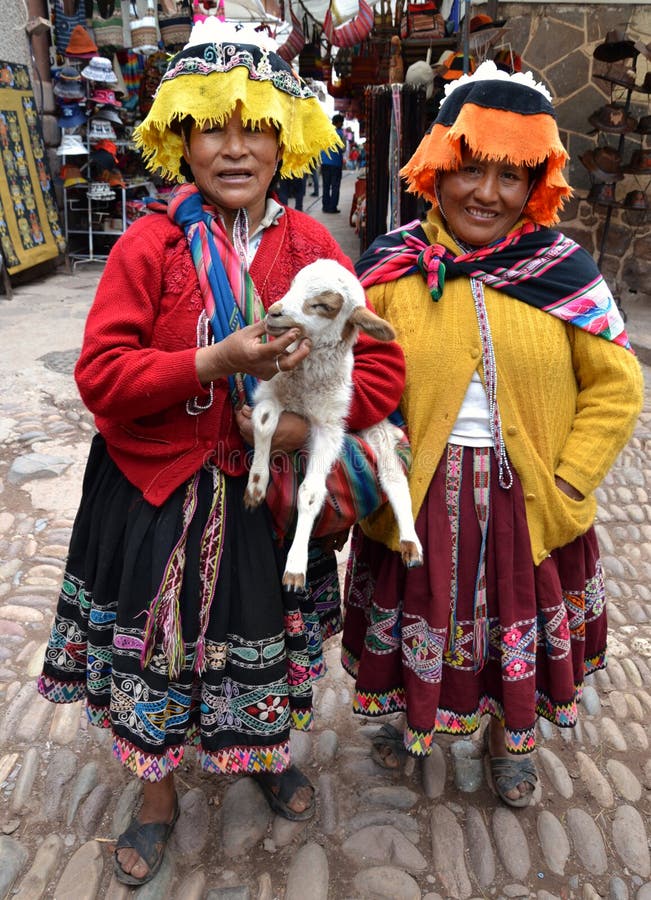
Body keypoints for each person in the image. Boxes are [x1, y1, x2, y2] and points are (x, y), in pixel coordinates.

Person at [38, 19, 405, 886]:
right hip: (159, 491)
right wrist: (213, 361)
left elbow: (382, 365)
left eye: (256, 129)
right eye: (212, 127)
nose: (234, 149)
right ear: (179, 139)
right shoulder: (149, 246)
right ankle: (158, 795)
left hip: (266, 498)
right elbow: (102, 375)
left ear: (287, 140)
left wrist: (302, 430)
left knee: (269, 642)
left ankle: (264, 753)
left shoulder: (312, 250)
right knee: (159, 649)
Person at [341, 61, 644, 808]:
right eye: (469, 170)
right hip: (416, 492)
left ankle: (510, 743)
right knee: (420, 612)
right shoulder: (390, 268)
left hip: (527, 496)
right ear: (438, 169)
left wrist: (570, 479)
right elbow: (349, 377)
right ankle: (407, 718)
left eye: (510, 177)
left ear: (534, 186)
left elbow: (615, 386)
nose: (485, 193)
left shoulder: (564, 274)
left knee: (511, 621)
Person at [320, 112, 345, 213]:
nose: (342, 125)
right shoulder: (340, 133)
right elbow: (343, 148)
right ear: (338, 123)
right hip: (335, 164)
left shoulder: (325, 132)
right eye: (341, 123)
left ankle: (325, 206)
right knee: (335, 186)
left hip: (325, 163)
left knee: (326, 186)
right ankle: (332, 207)